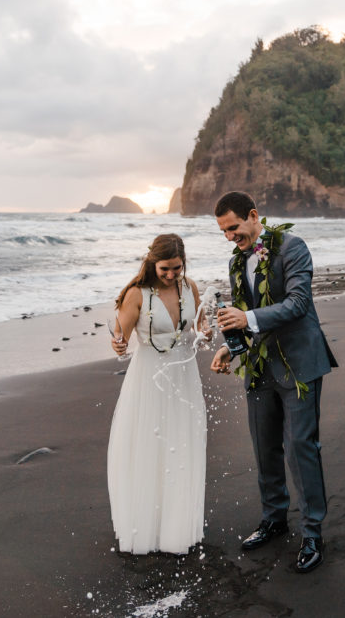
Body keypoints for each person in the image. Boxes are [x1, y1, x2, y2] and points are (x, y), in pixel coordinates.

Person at [210, 191, 337, 573]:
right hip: (258, 365)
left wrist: (246, 320)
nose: (230, 237)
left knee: (301, 447)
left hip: (299, 363)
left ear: (253, 216)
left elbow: (298, 304)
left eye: (233, 227)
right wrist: (230, 349)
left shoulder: (292, 248)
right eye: (223, 231)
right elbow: (243, 315)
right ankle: (274, 520)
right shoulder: (236, 261)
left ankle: (313, 531)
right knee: (264, 446)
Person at [107, 233, 207, 555]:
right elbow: (119, 337)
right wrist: (118, 343)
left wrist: (204, 330)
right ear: (153, 262)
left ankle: (176, 525)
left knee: (182, 444)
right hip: (150, 377)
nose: (170, 274)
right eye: (165, 268)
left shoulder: (189, 287)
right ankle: (146, 527)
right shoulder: (136, 294)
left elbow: (197, 326)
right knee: (151, 446)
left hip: (185, 375)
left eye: (176, 268)